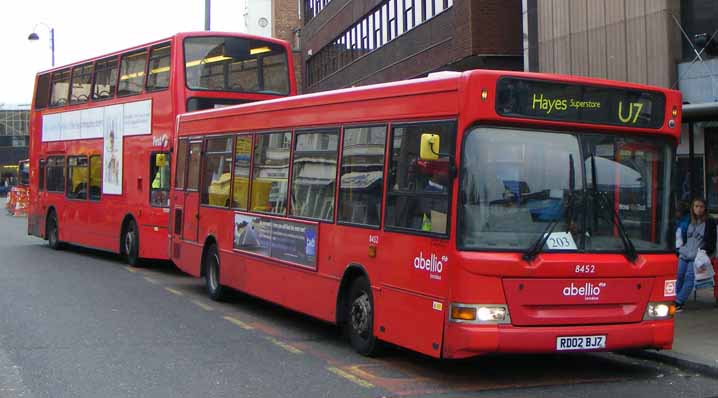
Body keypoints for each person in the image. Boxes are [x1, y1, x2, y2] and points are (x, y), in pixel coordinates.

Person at [675, 197, 716, 312]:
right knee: (678, 276)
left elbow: (711, 241)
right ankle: (674, 298)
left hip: (697, 256)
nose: (698, 209)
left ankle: (678, 301)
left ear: (705, 208)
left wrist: (705, 253)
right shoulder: (688, 220)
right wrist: (679, 248)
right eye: (696, 206)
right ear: (692, 208)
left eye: (701, 207)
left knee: (689, 277)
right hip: (684, 253)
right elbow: (681, 234)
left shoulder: (709, 222)